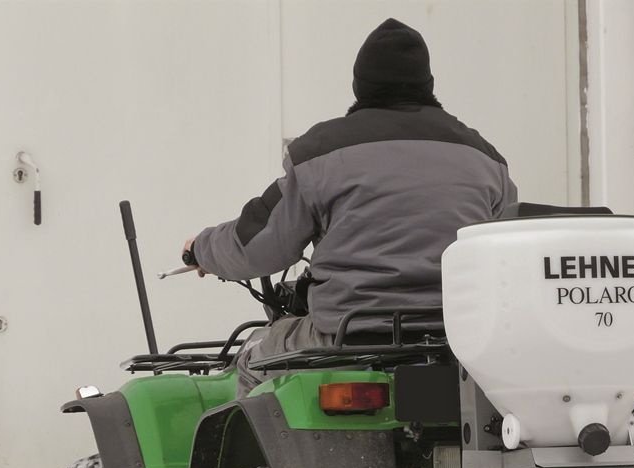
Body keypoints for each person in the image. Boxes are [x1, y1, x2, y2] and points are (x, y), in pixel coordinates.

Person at [184, 18, 517, 396]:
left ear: (360, 85)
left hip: (347, 336)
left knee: (253, 355)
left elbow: (257, 245)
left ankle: (253, 458)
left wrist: (201, 249)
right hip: (456, 341)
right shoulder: (486, 159)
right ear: (429, 85)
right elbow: (508, 256)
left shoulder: (321, 152)